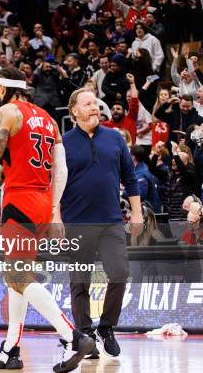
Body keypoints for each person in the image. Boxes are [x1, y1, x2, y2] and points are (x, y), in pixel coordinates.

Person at [0, 67, 94, 373]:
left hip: (19, 201)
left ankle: (71, 336)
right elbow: (60, 170)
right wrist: (54, 211)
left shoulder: (5, 114)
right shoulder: (49, 119)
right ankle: (10, 349)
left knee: (18, 277)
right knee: (17, 277)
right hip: (41, 202)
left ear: (3, 88)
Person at [61, 87, 143, 358]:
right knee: (80, 282)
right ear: (74, 111)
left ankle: (107, 327)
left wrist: (137, 213)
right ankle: (85, 335)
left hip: (111, 221)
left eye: (95, 103)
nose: (94, 108)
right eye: (87, 104)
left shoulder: (116, 138)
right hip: (76, 223)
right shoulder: (62, 143)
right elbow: (55, 185)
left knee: (119, 272)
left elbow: (130, 178)